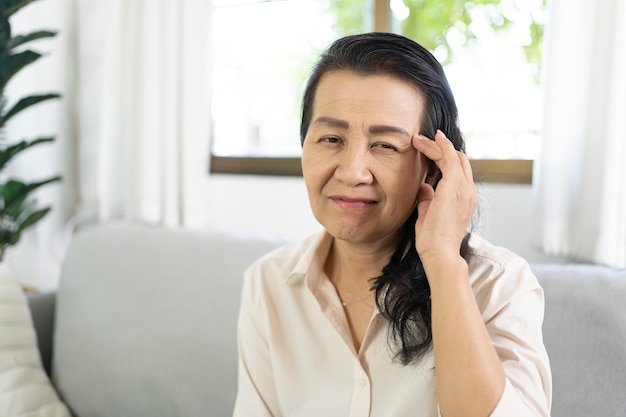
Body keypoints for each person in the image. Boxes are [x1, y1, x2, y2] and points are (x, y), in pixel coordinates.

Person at [233, 32, 551, 417]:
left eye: (385, 145)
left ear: (434, 166)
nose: (352, 172)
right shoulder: (267, 284)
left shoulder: (499, 285)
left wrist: (443, 264)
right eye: (331, 138)